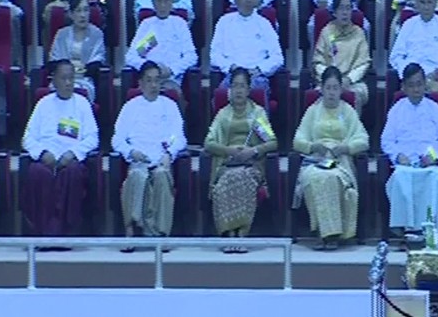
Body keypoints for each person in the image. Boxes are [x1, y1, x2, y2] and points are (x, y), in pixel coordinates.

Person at [292, 66, 369, 250]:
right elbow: (297, 140)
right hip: (315, 160)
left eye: (335, 88)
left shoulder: (348, 111)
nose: (332, 93)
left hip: (340, 161)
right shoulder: (313, 111)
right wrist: (313, 146)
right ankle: (324, 232)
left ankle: (331, 233)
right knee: (316, 177)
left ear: (341, 90)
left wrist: (346, 147)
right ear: (322, 89)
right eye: (328, 88)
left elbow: (363, 140)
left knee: (332, 177)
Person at [112, 61, 187, 248]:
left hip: (162, 160)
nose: (154, 85)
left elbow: (180, 138)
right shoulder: (130, 107)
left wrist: (169, 154)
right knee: (138, 175)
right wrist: (131, 152)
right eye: (149, 81)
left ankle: (161, 234)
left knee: (161, 175)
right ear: (140, 83)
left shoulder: (170, 106)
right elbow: (117, 140)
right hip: (139, 159)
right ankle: (131, 229)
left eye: (157, 81)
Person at [21, 59, 98, 237]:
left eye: (71, 78)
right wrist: (42, 153)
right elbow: (27, 138)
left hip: (71, 160)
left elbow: (92, 138)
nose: (68, 83)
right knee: (37, 172)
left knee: (73, 173)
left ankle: (66, 234)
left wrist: (73, 153)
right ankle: (42, 233)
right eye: (63, 78)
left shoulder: (82, 103)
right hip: (46, 159)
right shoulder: (43, 104)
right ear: (53, 80)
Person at [204, 68, 277, 253]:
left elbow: (272, 142)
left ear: (248, 89)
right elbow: (208, 143)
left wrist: (253, 151)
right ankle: (229, 234)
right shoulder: (223, 114)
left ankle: (242, 233)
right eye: (235, 86)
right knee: (228, 178)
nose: (238, 90)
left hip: (251, 165)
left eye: (242, 86)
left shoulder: (257, 113)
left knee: (242, 177)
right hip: (226, 164)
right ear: (229, 89)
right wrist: (227, 150)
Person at [381, 63, 438, 243]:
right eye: (411, 85)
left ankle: (428, 230)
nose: (416, 89)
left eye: (419, 84)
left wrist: (434, 157)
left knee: (435, 179)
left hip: (429, 165)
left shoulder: (435, 109)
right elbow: (386, 141)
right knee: (400, 178)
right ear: (404, 87)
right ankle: (406, 229)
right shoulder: (397, 110)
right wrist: (398, 155)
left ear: (425, 84)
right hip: (405, 164)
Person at [210, 0, 283, 102]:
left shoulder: (264, 24)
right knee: (221, 96)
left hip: (256, 77)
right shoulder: (224, 22)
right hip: (232, 75)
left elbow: (278, 57)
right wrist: (231, 67)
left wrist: (259, 69)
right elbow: (214, 55)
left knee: (258, 93)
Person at [125, 0, 198, 97]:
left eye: (166, 0)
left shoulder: (179, 24)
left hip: (171, 80)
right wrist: (150, 69)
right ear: (153, 2)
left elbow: (191, 57)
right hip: (148, 81)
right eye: (159, 1)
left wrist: (171, 69)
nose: (163, 5)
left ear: (172, 1)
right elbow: (131, 57)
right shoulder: (147, 25)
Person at [312, 0, 372, 113]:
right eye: (341, 8)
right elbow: (318, 62)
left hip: (353, 83)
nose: (345, 12)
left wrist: (348, 79)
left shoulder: (359, 33)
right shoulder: (326, 32)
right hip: (329, 82)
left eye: (348, 8)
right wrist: (331, 78)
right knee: (317, 96)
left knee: (356, 95)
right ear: (334, 12)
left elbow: (364, 63)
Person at [48, 0, 106, 103]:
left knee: (80, 92)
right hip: (62, 79)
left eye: (86, 10)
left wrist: (78, 70)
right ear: (71, 14)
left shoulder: (97, 34)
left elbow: (97, 62)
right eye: (78, 11)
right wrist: (71, 70)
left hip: (85, 80)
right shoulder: (61, 34)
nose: (83, 15)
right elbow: (54, 62)